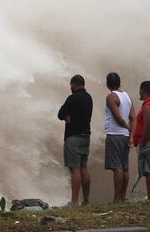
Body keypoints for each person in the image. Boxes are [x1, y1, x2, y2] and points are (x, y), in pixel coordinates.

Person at [58, 74, 93, 207]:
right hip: (86, 136)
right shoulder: (89, 98)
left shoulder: (72, 98)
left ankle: (74, 201)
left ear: (74, 84)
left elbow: (60, 114)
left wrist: (67, 115)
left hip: (73, 137)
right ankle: (86, 200)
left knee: (75, 169)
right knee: (84, 167)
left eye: (71, 85)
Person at [104, 72, 136, 203]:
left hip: (115, 134)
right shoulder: (127, 96)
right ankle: (122, 197)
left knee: (117, 167)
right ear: (119, 82)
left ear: (107, 83)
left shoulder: (111, 97)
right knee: (124, 167)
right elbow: (133, 118)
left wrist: (127, 128)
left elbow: (118, 117)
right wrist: (131, 136)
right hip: (124, 136)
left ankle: (117, 198)